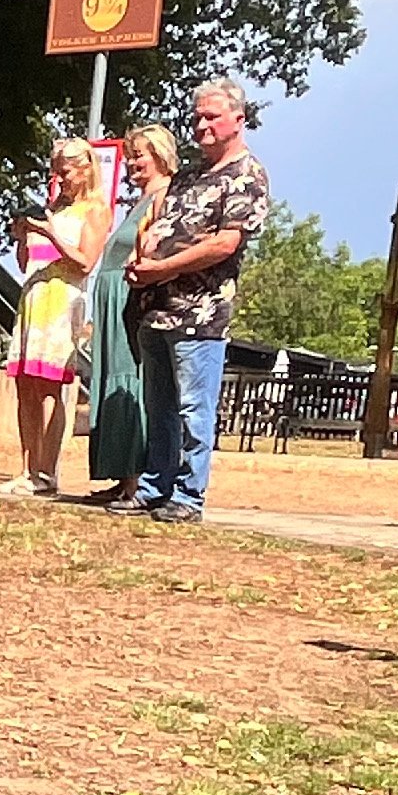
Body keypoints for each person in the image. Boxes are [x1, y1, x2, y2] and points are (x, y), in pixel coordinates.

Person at [120, 80, 269, 524]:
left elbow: (224, 244)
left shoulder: (247, 176)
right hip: (157, 310)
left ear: (238, 119)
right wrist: (140, 253)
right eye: (197, 117)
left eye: (212, 117)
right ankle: (154, 488)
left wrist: (164, 268)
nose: (201, 125)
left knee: (193, 411)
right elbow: (158, 223)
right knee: (159, 406)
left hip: (199, 315)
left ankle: (188, 496)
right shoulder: (187, 175)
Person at [0, 140, 110, 497]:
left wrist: (50, 233)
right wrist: (22, 237)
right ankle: (27, 468)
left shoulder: (94, 210)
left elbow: (85, 262)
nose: (58, 178)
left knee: (50, 387)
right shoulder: (53, 209)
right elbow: (25, 263)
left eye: (64, 171)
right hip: (33, 295)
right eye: (56, 170)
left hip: (63, 300)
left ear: (84, 170)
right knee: (25, 386)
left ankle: (47, 470)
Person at [80, 126, 179, 507]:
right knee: (108, 379)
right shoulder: (139, 199)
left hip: (130, 298)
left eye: (141, 154)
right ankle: (120, 476)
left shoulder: (165, 196)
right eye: (132, 155)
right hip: (109, 297)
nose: (134, 162)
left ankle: (137, 479)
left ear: (160, 154)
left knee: (128, 380)